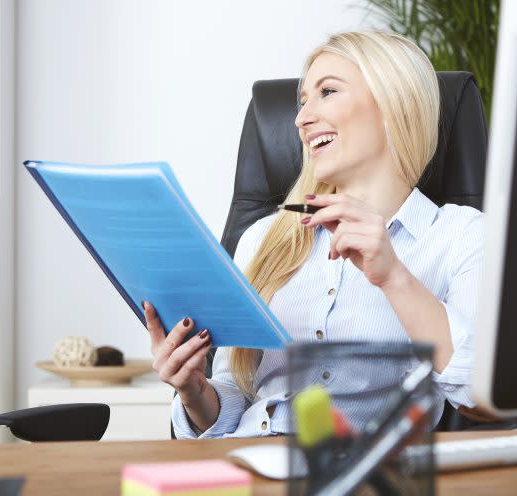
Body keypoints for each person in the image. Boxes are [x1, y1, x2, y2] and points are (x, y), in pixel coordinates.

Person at [143, 31, 493, 439]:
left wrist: (394, 277)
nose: (301, 118)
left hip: (369, 474)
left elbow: (479, 398)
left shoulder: (461, 237)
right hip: (251, 462)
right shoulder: (262, 238)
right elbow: (236, 396)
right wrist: (193, 391)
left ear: (393, 105)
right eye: (303, 100)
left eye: (327, 91)